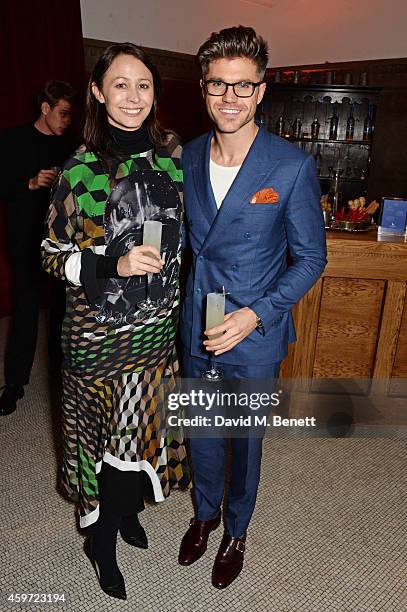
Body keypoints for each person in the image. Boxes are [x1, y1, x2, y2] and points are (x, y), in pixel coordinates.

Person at [178, 26, 327, 588]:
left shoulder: (289, 166)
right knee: (203, 430)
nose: (230, 99)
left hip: (254, 329)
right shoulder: (188, 156)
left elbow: (312, 259)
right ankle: (205, 514)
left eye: (244, 86)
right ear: (203, 88)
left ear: (261, 91)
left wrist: (256, 314)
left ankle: (237, 529)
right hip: (199, 318)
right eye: (219, 85)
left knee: (245, 438)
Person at [41, 43, 190, 600]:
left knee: (138, 440)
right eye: (121, 85)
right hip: (97, 337)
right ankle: (101, 542)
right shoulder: (79, 169)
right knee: (102, 446)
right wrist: (114, 262)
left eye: (144, 85)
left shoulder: (172, 153)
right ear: (99, 93)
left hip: (154, 333)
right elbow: (51, 255)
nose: (134, 96)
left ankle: (125, 515)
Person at [0, 81, 75, 416]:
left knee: (62, 313)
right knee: (27, 311)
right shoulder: (12, 140)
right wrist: (29, 183)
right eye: (62, 113)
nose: (66, 121)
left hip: (62, 243)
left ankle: (60, 377)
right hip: (26, 240)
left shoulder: (70, 146)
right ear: (45, 109)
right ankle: (15, 384)